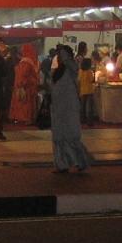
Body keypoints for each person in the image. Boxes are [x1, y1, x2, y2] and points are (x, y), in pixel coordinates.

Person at [48, 44, 91, 173]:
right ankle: (61, 164)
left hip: (69, 106)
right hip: (58, 107)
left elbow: (73, 67)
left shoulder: (71, 67)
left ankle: (80, 162)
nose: (59, 57)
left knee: (71, 135)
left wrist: (65, 55)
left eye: (61, 55)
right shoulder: (58, 70)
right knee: (58, 137)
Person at [9, 43, 39, 124]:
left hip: (24, 86)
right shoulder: (30, 62)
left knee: (23, 103)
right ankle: (27, 118)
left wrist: (20, 85)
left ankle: (22, 118)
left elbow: (22, 75)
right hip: (29, 86)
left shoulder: (24, 62)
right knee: (28, 104)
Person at [77, 55, 97, 126]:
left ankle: (82, 120)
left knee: (82, 106)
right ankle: (90, 122)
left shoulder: (80, 71)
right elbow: (92, 80)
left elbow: (79, 80)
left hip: (82, 90)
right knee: (89, 107)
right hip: (89, 90)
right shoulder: (89, 71)